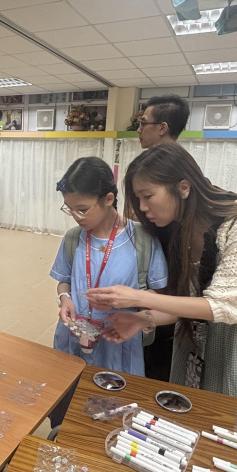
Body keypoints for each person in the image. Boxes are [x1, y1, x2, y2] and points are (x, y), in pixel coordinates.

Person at [91, 143, 237, 404]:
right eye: (138, 199)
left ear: (183, 187)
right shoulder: (180, 228)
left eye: (148, 196)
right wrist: (141, 319)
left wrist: (139, 297)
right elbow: (188, 304)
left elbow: (220, 306)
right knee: (196, 409)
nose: (142, 208)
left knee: (236, 415)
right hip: (202, 333)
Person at [51, 157, 167, 377]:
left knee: (115, 393)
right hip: (74, 337)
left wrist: (131, 300)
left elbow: (160, 294)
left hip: (117, 341)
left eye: (82, 209)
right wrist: (64, 298)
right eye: (70, 209)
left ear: (108, 199)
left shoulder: (142, 240)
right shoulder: (73, 238)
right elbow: (64, 280)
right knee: (69, 389)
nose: (76, 216)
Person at [135, 95, 189, 380]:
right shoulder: (146, 169)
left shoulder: (176, 176)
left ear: (162, 127)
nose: (139, 129)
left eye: (143, 123)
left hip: (168, 292)